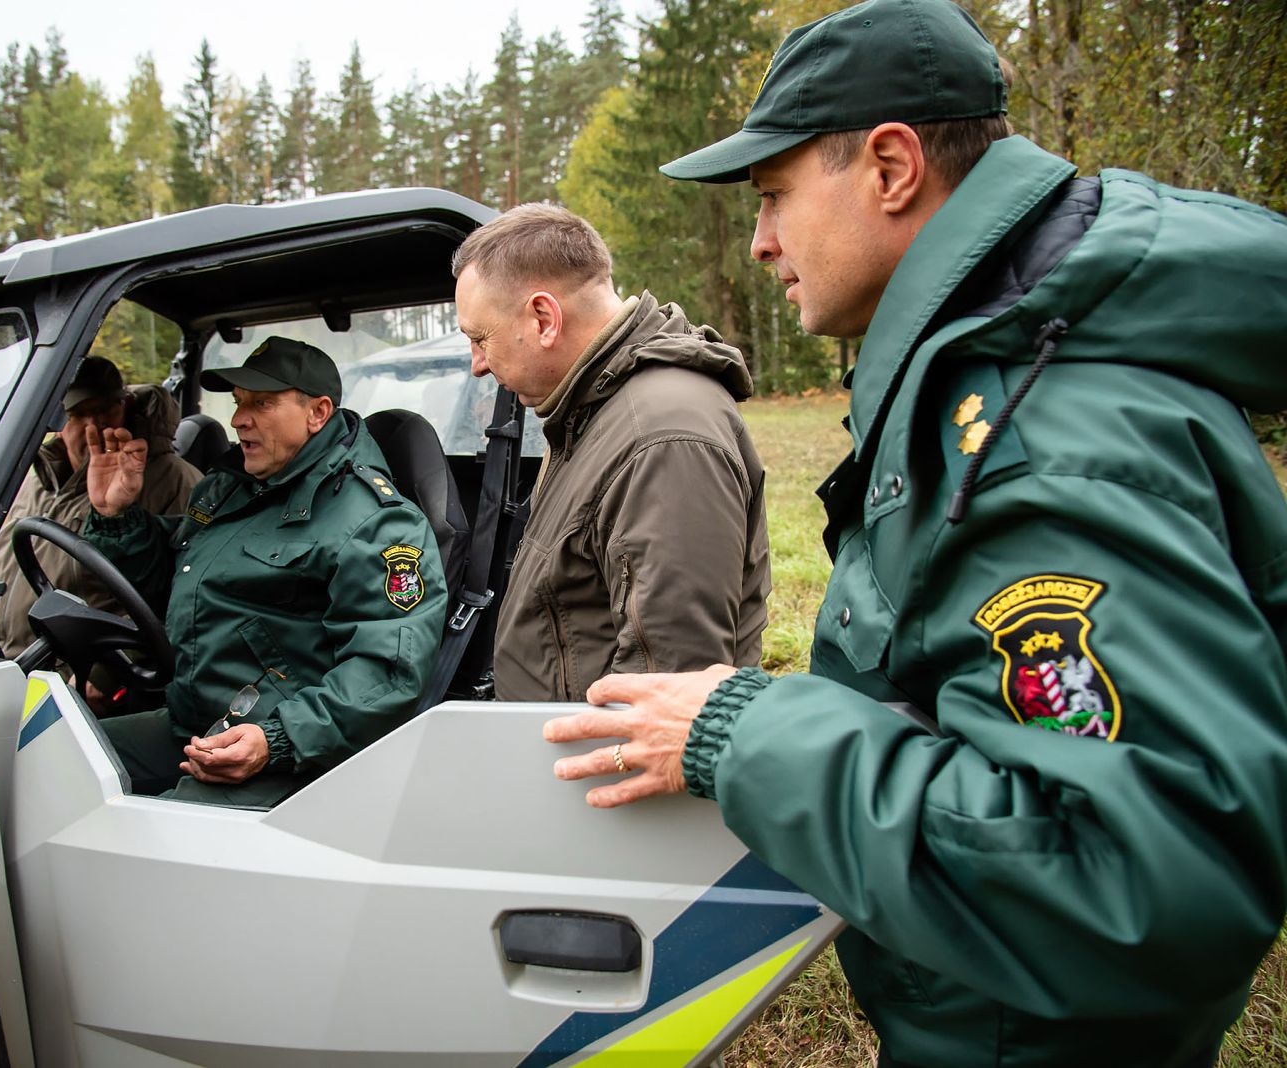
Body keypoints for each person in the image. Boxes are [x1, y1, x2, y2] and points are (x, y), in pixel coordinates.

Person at [543, 2, 1287, 1066]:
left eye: (774, 195)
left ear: (891, 168)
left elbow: (1133, 882)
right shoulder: (999, 378)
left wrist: (741, 733)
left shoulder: (1039, 436)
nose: (760, 242)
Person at [79, 336, 447, 807]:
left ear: (317, 413)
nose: (238, 419)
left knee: (140, 839)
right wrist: (117, 517)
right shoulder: (231, 489)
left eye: (262, 403)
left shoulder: (377, 523)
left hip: (290, 749)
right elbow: (173, 580)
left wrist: (277, 739)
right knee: (50, 760)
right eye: (238, 402)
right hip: (194, 722)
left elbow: (386, 671)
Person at [453, 203, 770, 701]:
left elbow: (667, 695)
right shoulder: (593, 412)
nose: (477, 364)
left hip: (599, 749)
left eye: (480, 338)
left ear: (543, 318)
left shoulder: (662, 438)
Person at [0, 355, 201, 662]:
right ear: (57, 421)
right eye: (79, 414)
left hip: (84, 670)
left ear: (126, 405)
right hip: (2, 658)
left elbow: (183, 600)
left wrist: (108, 673)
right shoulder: (33, 479)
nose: (94, 425)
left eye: (104, 410)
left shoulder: (173, 481)